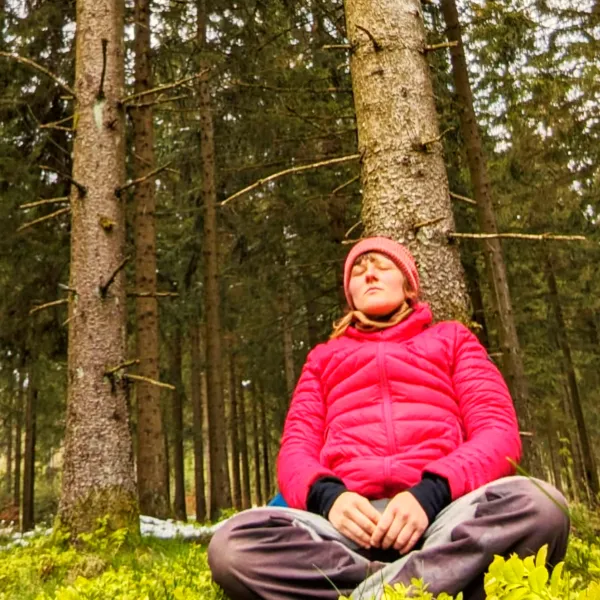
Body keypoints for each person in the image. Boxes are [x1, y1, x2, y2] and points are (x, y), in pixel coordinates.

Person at [208, 236, 569, 600]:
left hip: (443, 518)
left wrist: (431, 494)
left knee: (541, 506)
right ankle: (410, 586)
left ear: (409, 285)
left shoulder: (453, 340)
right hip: (347, 530)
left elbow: (498, 432)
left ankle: (367, 594)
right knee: (232, 547)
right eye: (359, 271)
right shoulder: (322, 359)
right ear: (349, 293)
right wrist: (329, 498)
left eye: (382, 266)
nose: (369, 275)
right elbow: (295, 452)